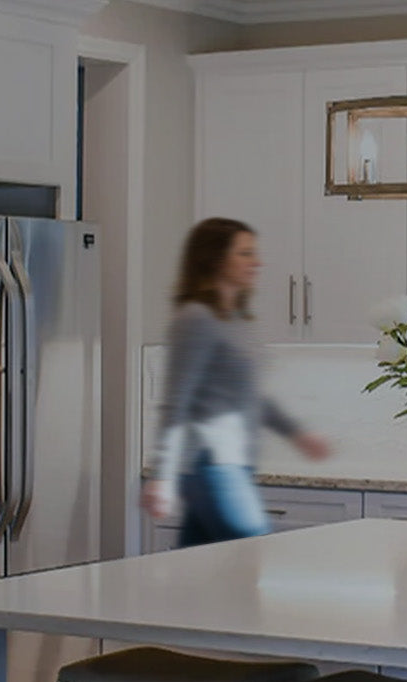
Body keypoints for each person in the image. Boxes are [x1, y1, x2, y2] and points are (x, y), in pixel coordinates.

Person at [142, 217, 331, 546]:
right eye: (244, 253)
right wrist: (162, 474)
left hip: (234, 463)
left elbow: (251, 397)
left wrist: (297, 433)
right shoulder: (196, 319)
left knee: (199, 566)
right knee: (251, 550)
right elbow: (177, 402)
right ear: (215, 259)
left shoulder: (238, 320)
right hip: (212, 462)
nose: (256, 262)